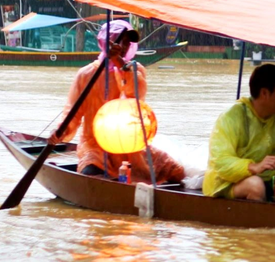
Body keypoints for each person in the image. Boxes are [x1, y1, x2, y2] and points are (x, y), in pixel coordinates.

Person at [48, 20, 184, 184]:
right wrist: (59, 132)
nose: (125, 46)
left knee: (176, 171)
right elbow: (72, 114)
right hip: (95, 147)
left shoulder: (135, 69)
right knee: (90, 174)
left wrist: (118, 61)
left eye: (128, 42)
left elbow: (136, 93)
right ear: (107, 42)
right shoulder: (86, 75)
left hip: (130, 146)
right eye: (121, 41)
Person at [203, 64, 275, 203]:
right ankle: (254, 224)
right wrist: (253, 167)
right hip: (228, 182)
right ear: (264, 93)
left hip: (268, 178)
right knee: (255, 185)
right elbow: (220, 162)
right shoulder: (232, 117)